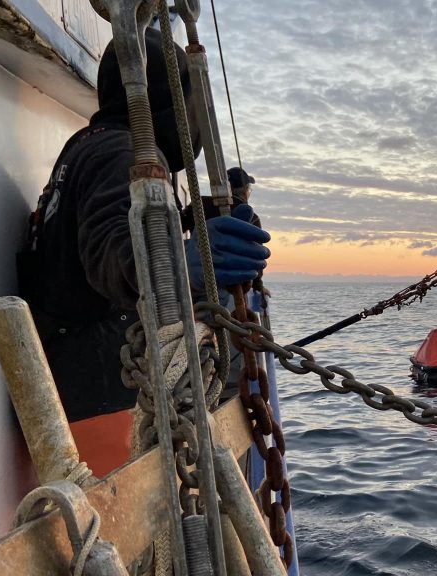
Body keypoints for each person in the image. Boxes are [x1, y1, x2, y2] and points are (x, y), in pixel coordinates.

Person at [17, 28, 270, 476]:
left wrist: (197, 217)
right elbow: (114, 253)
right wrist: (189, 263)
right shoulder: (123, 152)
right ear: (164, 101)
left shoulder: (88, 145)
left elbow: (119, 222)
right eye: (189, 106)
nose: (194, 124)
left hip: (70, 378)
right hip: (100, 399)